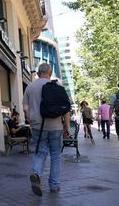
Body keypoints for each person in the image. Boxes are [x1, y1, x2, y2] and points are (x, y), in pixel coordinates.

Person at [22, 63, 70, 196]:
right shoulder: (58, 86)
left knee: (40, 152)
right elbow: (66, 109)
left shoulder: (30, 87)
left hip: (38, 126)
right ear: (50, 73)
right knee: (55, 155)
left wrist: (31, 121)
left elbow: (25, 109)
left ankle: (36, 173)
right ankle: (54, 185)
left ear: (38, 73)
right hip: (56, 126)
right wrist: (67, 127)